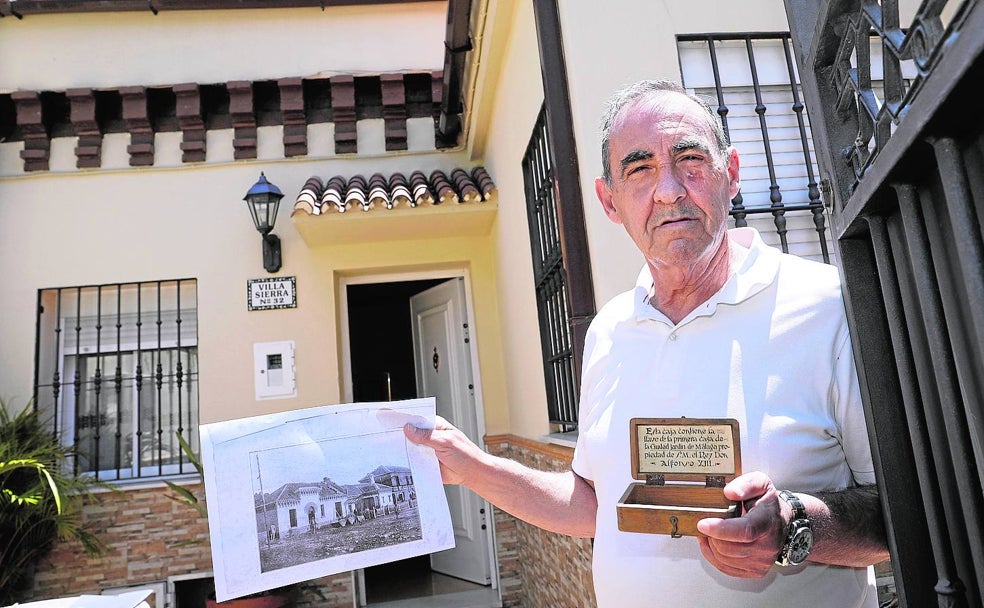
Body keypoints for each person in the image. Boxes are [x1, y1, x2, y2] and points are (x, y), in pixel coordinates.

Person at [404, 79, 888, 607]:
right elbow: (594, 504)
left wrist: (795, 527)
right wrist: (473, 466)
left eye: (690, 159)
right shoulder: (610, 330)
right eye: (640, 169)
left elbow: (904, 512)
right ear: (609, 201)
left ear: (731, 175)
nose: (670, 190)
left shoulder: (828, 304)